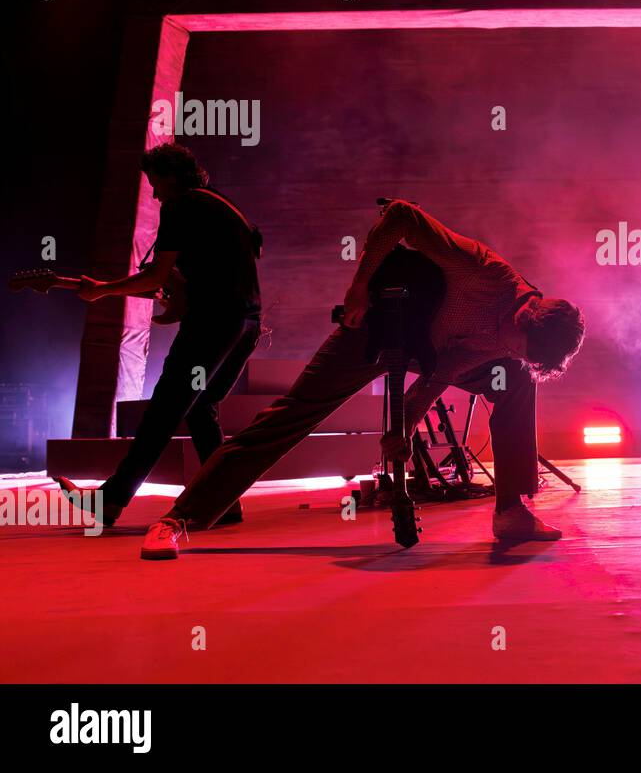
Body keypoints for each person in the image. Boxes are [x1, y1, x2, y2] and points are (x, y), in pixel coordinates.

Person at [139, 199, 585, 559]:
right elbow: (401, 216)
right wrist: (359, 288)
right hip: (377, 328)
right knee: (293, 414)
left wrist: (404, 425)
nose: (507, 349)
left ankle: (511, 511)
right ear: (527, 314)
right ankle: (180, 517)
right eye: (514, 343)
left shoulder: (510, 342)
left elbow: (443, 370)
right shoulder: (484, 270)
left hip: (426, 348)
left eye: (516, 352)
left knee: (516, 380)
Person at [58, 144, 261, 527]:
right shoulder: (221, 204)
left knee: (164, 411)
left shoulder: (180, 206)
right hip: (246, 324)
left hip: (212, 324)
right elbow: (182, 282)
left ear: (172, 177)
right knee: (200, 408)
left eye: (155, 184)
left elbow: (154, 277)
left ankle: (111, 500)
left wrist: (101, 290)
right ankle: (224, 502)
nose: (154, 193)